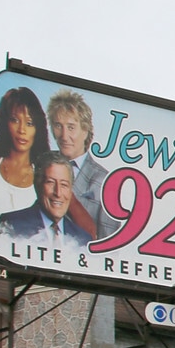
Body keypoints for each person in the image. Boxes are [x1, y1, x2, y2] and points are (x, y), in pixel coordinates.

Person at [45, 90, 114, 239]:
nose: (64, 136)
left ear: (85, 130)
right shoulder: (41, 166)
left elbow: (109, 244)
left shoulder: (104, 180)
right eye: (58, 126)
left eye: (71, 127)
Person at [0, 152, 93, 248]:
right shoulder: (12, 224)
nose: (58, 193)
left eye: (64, 185)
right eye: (50, 182)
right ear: (37, 185)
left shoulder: (83, 239)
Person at [0, 86, 48, 229]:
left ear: (37, 128)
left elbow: (87, 229)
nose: (22, 130)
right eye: (15, 120)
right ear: (5, 123)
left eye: (29, 123)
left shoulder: (46, 174)